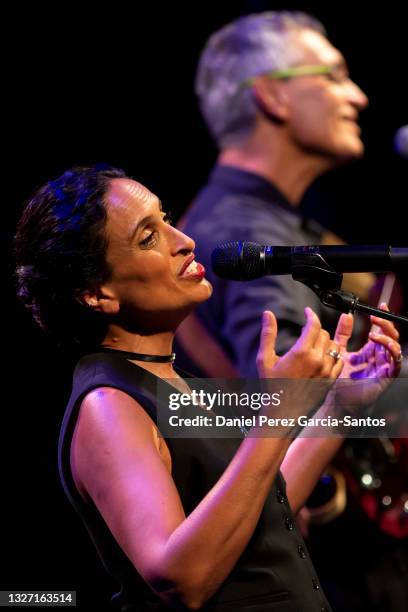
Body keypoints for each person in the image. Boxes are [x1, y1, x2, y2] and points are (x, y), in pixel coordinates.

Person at [15, 165, 401, 611]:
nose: (185, 240)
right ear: (96, 292)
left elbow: (261, 506)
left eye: (167, 219)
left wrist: (338, 408)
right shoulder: (108, 405)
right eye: (148, 237)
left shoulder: (172, 382)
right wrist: (280, 412)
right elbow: (180, 577)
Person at [177, 10, 371, 377]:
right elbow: (291, 389)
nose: (358, 97)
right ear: (272, 95)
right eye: (334, 76)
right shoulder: (247, 230)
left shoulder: (245, 214)